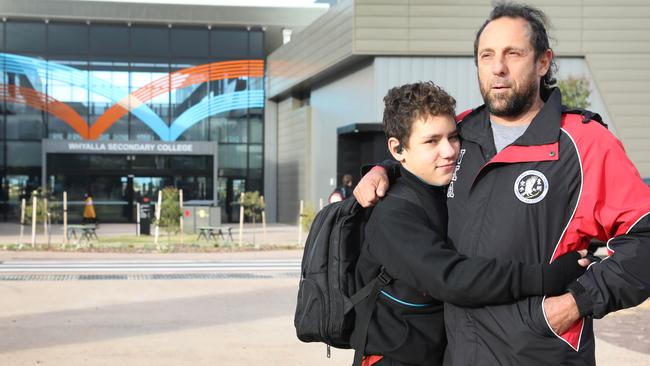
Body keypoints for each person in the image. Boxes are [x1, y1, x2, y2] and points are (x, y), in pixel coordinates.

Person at [354, 3, 650, 365]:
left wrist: (577, 302)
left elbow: (645, 242)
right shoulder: (460, 133)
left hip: (539, 354)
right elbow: (419, 152)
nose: (498, 67)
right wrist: (384, 169)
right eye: (487, 55)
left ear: (543, 62)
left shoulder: (585, 144)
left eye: (514, 53)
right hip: (459, 355)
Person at [351, 81, 589, 366]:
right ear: (397, 148)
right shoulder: (393, 214)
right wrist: (542, 277)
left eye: (453, 137)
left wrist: (384, 168)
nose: (449, 150)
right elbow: (452, 278)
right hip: (394, 359)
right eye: (431, 141)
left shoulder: (446, 188)